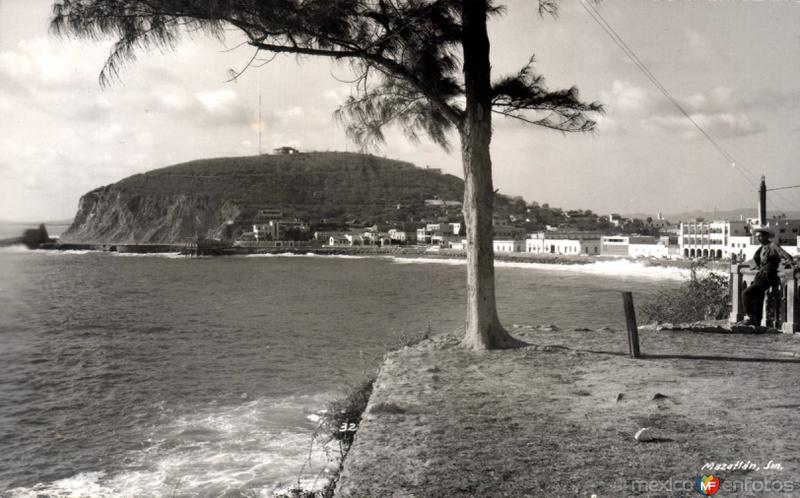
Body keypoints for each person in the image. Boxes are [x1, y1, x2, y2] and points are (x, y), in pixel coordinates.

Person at [739, 227, 799, 326]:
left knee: (746, 294)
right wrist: (754, 267)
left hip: (767, 276)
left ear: (766, 236)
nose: (758, 238)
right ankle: (756, 324)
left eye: (760, 236)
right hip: (760, 275)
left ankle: (750, 317)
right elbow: (756, 262)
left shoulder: (773, 246)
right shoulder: (761, 249)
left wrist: (792, 264)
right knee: (758, 299)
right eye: (757, 237)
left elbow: (785, 255)